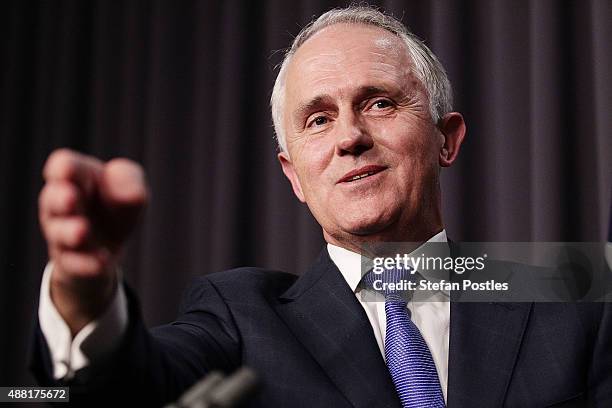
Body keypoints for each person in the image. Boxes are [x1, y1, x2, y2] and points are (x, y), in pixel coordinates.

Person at [32, 6, 611, 407]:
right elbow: (132, 387)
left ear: (446, 139)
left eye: (380, 103)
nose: (349, 137)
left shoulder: (572, 283)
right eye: (317, 119)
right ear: (294, 176)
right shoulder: (239, 315)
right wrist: (86, 301)